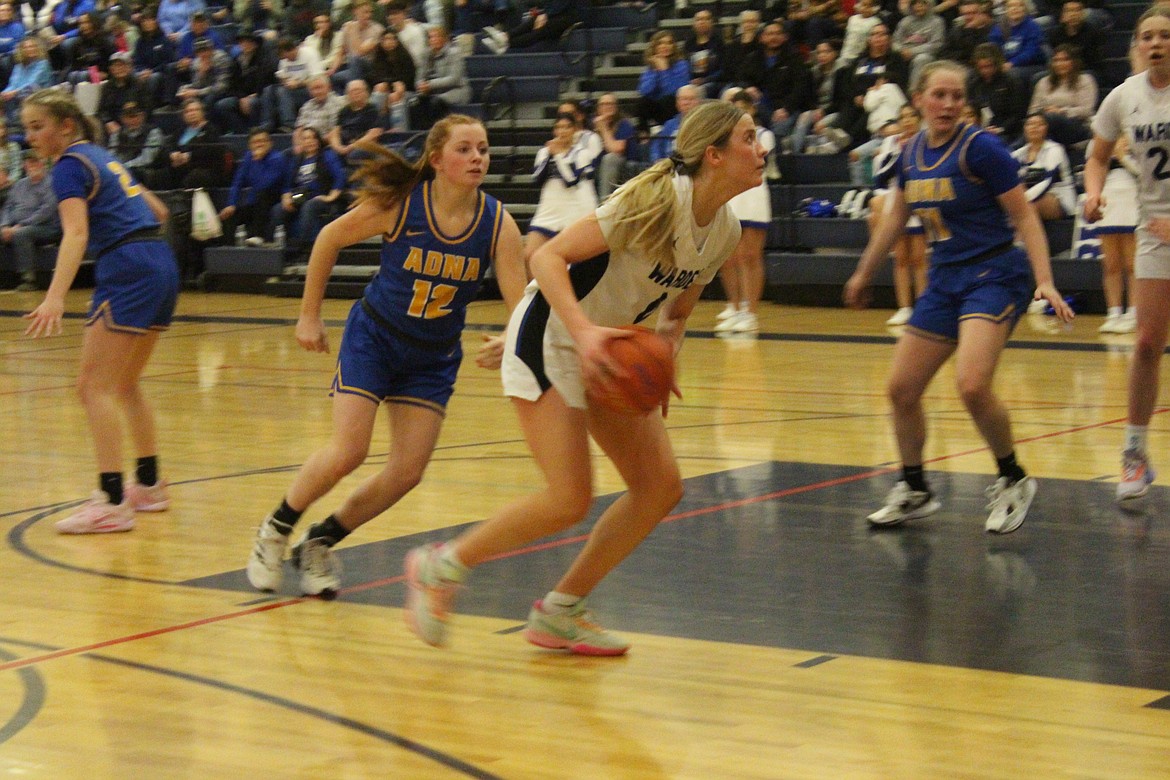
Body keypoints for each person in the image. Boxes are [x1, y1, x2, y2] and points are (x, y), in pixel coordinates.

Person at [402, 100, 767, 654]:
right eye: (749, 137)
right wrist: (582, 331)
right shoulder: (655, 198)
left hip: (611, 348)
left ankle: (561, 610)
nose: (761, 147)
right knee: (570, 497)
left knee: (659, 488)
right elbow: (547, 259)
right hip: (554, 335)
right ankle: (441, 567)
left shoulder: (725, 229)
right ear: (714, 155)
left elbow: (678, 311)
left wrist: (665, 359)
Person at [244, 114, 526, 596]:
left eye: (482, 148)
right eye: (465, 148)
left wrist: (512, 337)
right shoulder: (401, 204)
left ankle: (320, 541)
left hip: (432, 355)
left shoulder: (498, 224)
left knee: (407, 473)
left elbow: (519, 301)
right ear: (437, 159)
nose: (477, 157)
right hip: (375, 338)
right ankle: (274, 528)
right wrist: (309, 316)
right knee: (349, 451)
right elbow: (329, 237)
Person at [844, 60, 1073, 535]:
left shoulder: (982, 149)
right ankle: (915, 487)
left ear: (964, 104)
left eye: (956, 96)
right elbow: (894, 217)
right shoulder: (909, 154)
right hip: (944, 279)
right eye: (939, 95)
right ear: (919, 100)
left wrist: (1044, 279)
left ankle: (1013, 477)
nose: (947, 104)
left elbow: (1026, 217)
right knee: (901, 390)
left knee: (971, 385)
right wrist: (864, 272)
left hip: (993, 274)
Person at [22, 88, 180, 534]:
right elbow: (158, 209)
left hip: (129, 266)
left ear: (65, 126)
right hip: (159, 260)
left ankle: (111, 501)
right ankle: (148, 485)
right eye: (26, 128)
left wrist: (54, 296)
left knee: (92, 387)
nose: (30, 136)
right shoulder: (102, 156)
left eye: (38, 126)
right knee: (124, 383)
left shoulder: (69, 166)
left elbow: (75, 234)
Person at [1082, 6, 1170, 502]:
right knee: (1144, 344)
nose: (1156, 43)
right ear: (1137, 44)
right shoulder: (1124, 97)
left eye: (1165, 36)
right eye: (1147, 36)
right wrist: (1093, 192)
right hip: (1156, 231)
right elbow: (1097, 155)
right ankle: (1134, 453)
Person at [716, 90, 773, 334]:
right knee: (728, 256)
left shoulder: (764, 135)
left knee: (750, 256)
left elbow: (756, 162)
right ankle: (736, 307)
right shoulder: (725, 137)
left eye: (743, 108)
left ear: (752, 109)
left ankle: (751, 313)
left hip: (754, 194)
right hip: (731, 194)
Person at [866, 103, 927, 326]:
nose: (908, 120)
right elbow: (880, 177)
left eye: (912, 115)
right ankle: (904, 308)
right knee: (900, 258)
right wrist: (899, 155)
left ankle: (922, 308)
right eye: (903, 117)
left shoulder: (926, 139)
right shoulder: (891, 142)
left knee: (920, 258)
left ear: (920, 118)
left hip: (921, 200)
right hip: (897, 201)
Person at [525, 113, 599, 268]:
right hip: (548, 209)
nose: (562, 131)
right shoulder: (544, 152)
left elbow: (571, 180)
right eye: (559, 127)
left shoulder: (582, 153)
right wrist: (550, 156)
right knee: (529, 255)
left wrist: (558, 156)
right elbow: (537, 178)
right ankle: (538, 292)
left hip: (572, 210)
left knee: (568, 262)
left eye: (567, 127)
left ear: (574, 130)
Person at [1089, 133, 1138, 334]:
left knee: (1132, 263)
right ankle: (1113, 312)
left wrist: (1124, 157)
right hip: (1107, 198)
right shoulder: (1098, 140)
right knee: (1110, 264)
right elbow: (1091, 170)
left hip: (1133, 197)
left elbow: (1148, 174)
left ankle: (1133, 313)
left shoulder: (1139, 136)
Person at [2, 152, 59, 291]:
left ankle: (29, 279)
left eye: (35, 162)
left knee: (22, 234)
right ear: (24, 165)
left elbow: (46, 211)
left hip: (47, 227)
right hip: (15, 226)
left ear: (43, 163)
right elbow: (8, 207)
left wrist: (20, 225)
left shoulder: (51, 183)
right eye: (29, 162)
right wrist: (4, 225)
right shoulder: (20, 185)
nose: (32, 166)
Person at [220, 128, 287, 246]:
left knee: (262, 195)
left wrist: (258, 161)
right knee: (230, 216)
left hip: (273, 198)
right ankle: (229, 250)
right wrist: (231, 204)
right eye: (255, 142)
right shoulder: (248, 157)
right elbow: (237, 182)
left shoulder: (277, 158)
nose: (259, 144)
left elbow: (264, 184)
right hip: (256, 201)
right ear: (250, 145)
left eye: (262, 141)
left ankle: (258, 236)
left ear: (270, 143)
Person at [1026, 45, 1097, 147]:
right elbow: (1032, 111)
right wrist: (1043, 113)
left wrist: (1061, 111)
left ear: (1074, 62)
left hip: (1077, 125)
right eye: (1056, 60)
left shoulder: (1085, 80)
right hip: (1044, 123)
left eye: (1065, 60)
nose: (1060, 64)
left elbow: (1086, 110)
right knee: (1037, 124)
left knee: (1050, 119)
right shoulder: (1043, 82)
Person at [1012, 112, 1076, 221]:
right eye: (1030, 124)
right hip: (1027, 198)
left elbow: (1047, 181)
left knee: (1024, 210)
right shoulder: (1019, 153)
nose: (1034, 127)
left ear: (1046, 128)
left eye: (1039, 124)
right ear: (1024, 128)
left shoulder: (1055, 149)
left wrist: (1021, 200)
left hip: (1058, 197)